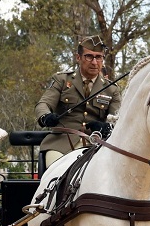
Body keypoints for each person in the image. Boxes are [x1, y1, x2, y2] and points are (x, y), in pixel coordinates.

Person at [35, 35, 122, 169]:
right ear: (78, 58)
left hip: (96, 145)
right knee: (55, 174)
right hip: (61, 143)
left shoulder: (112, 89)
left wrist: (106, 127)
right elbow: (43, 104)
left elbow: (117, 120)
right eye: (89, 56)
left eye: (98, 57)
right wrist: (45, 116)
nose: (94, 62)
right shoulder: (62, 80)